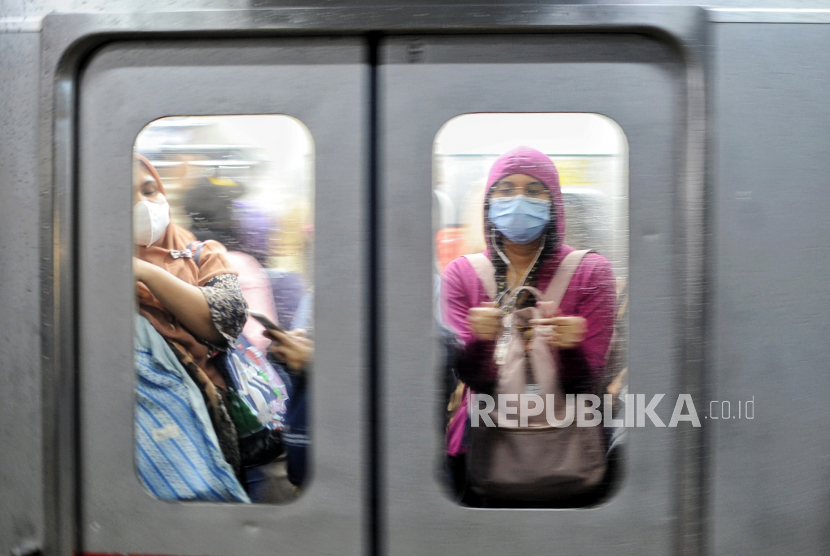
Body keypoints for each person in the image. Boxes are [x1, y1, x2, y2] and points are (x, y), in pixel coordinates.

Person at [441, 146, 616, 505]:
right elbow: (473, 381)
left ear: (554, 204)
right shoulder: (461, 275)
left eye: (534, 190)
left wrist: (570, 349)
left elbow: (586, 384)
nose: (518, 199)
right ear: (488, 203)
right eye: (505, 189)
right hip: (487, 449)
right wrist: (480, 342)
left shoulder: (591, 273)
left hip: (570, 455)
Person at [132, 154, 250, 502]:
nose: (143, 204)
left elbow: (226, 320)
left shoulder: (203, 253)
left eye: (150, 190)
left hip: (211, 423)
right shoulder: (85, 262)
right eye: (124, 198)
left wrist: (146, 273)